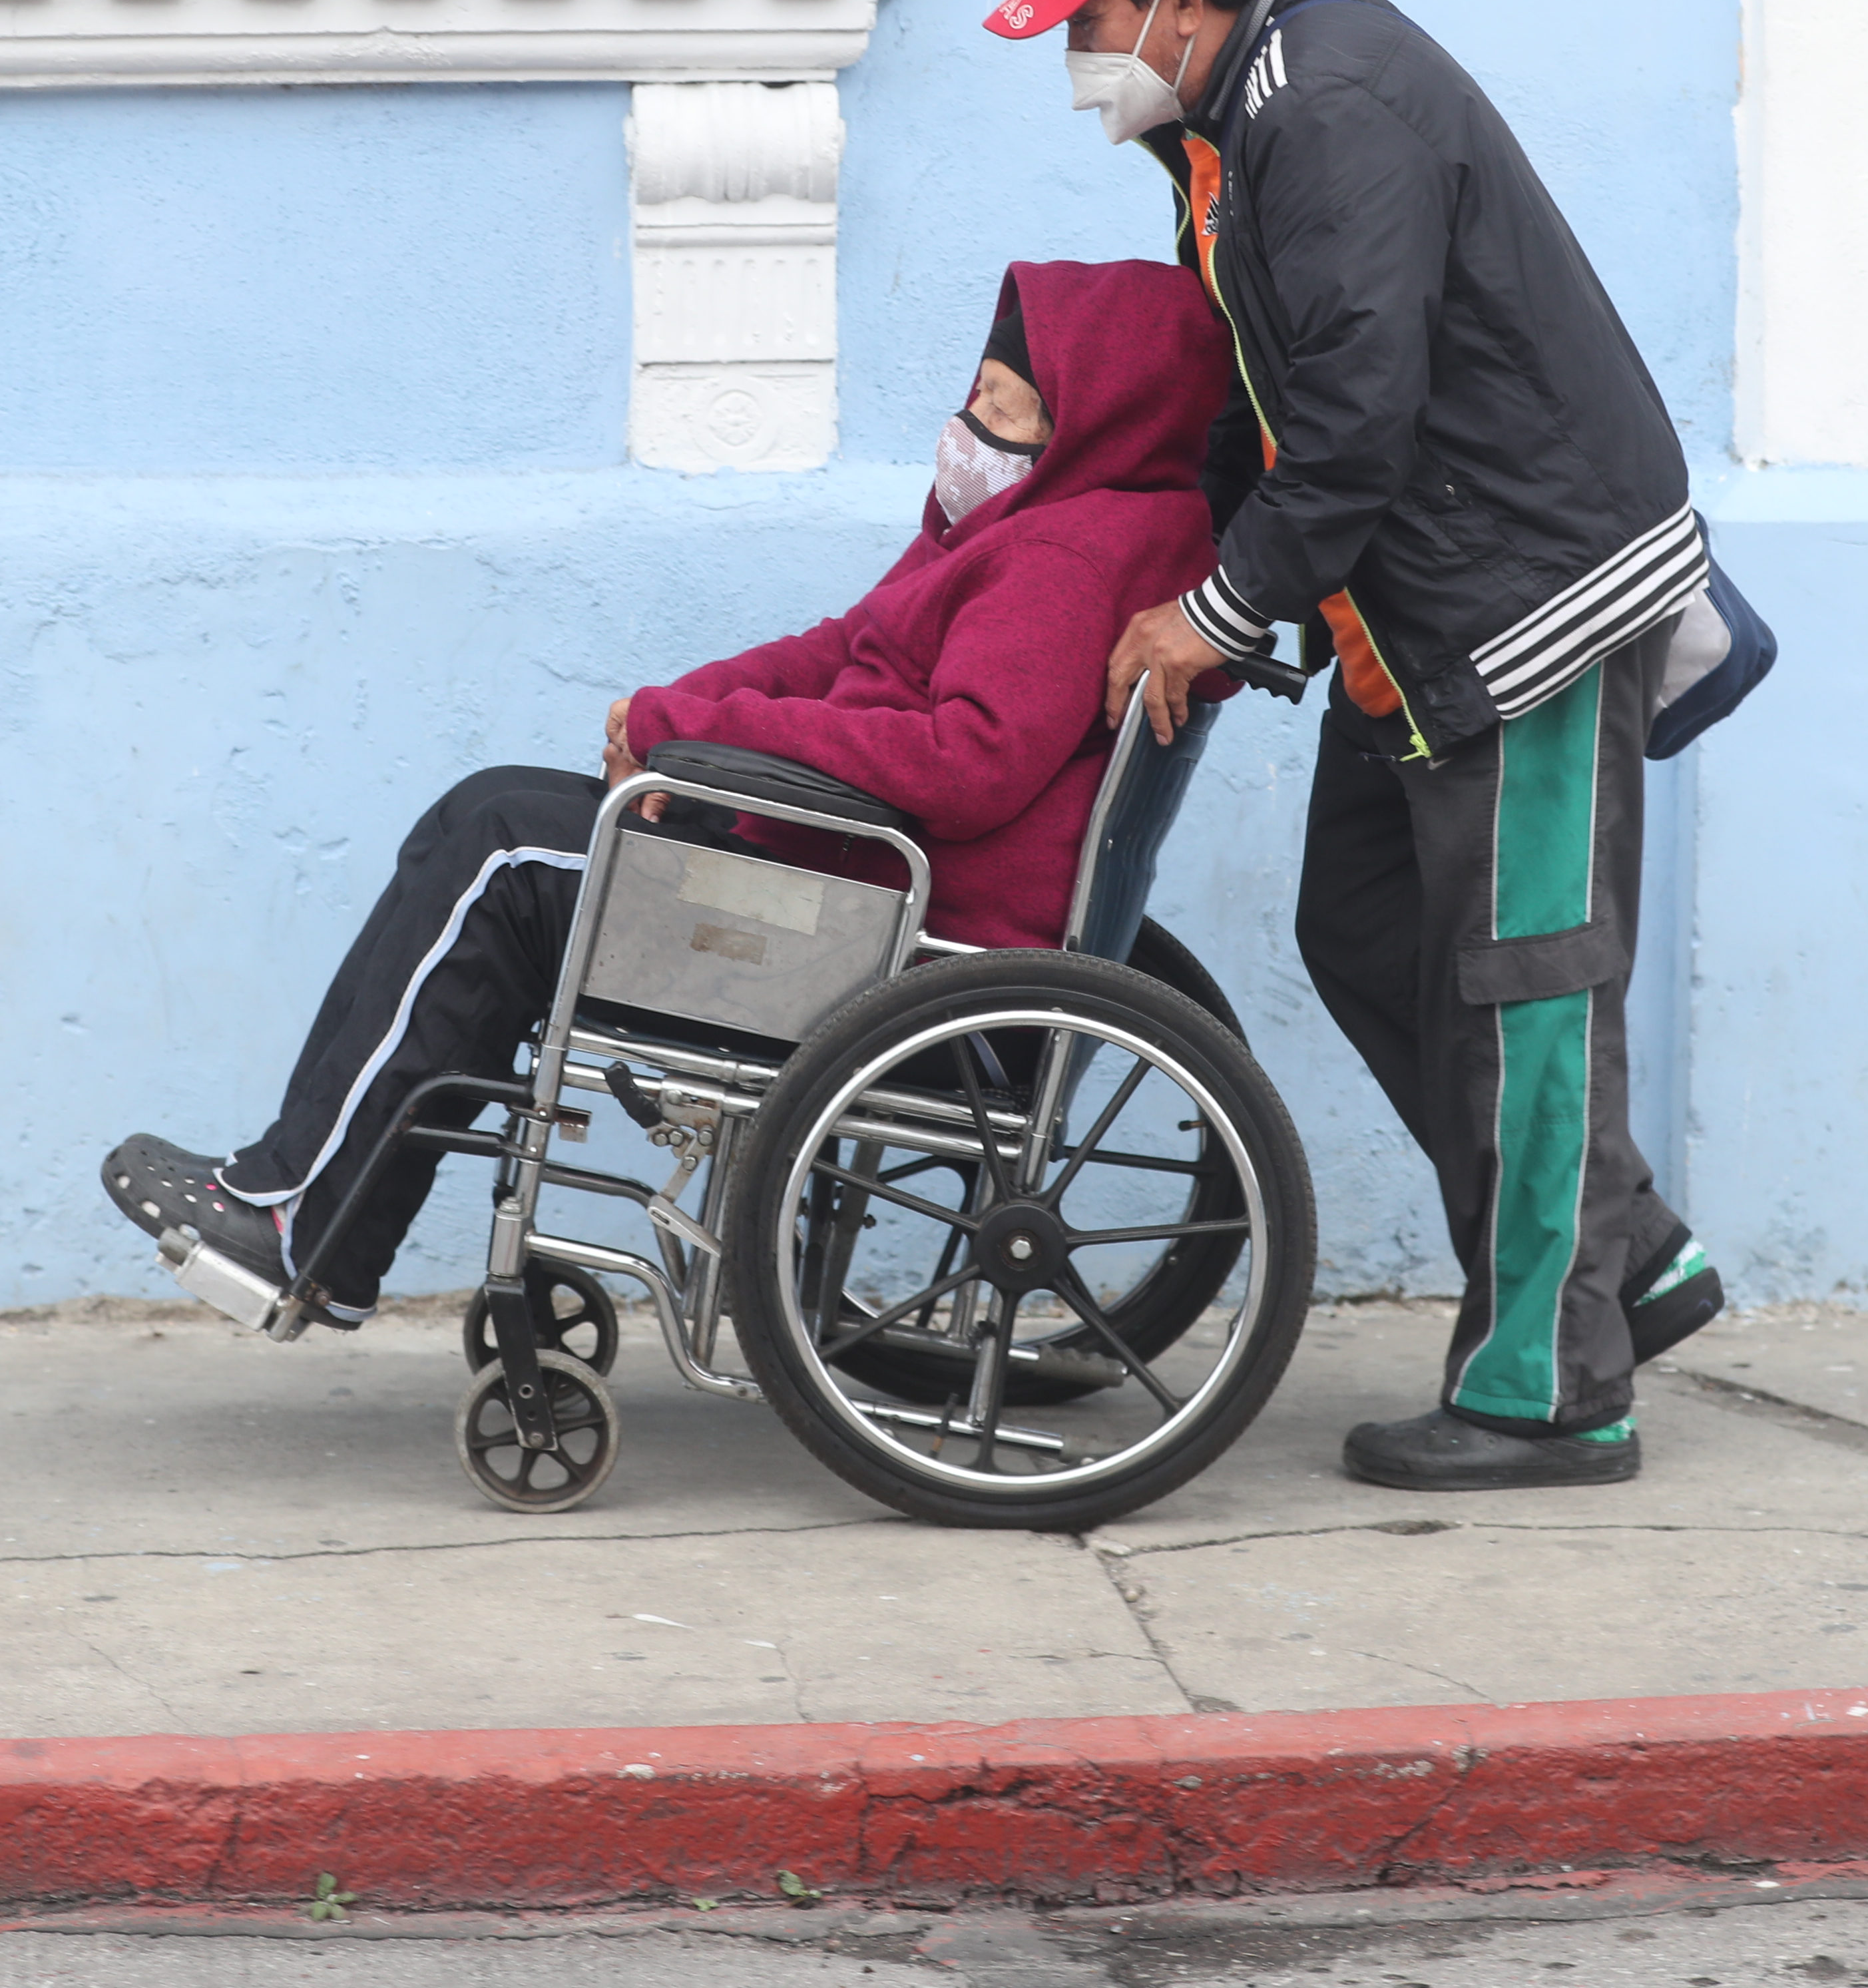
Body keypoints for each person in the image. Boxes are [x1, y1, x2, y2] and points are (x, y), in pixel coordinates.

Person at [987, 0, 1727, 1493]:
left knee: (1527, 992)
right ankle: (1625, 1251)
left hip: (1521, 607)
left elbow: (1352, 417)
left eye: (1088, 19)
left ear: (1180, 0)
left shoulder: (1327, 111)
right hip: (1409, 611)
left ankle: (1551, 1394)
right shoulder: (1224, 119)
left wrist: (1217, 612)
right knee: (1369, 929)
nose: (1076, 53)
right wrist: (1180, 572)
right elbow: (1261, 392)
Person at [98, 258, 1234, 1329]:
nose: (967, 429)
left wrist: (694, 737)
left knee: (503, 854)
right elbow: (841, 648)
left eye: (1001, 407)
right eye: (973, 397)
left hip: (891, 955)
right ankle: (306, 1207)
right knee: (487, 815)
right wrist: (675, 713)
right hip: (855, 901)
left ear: (1090, 423)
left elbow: (965, 763)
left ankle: (303, 1221)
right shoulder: (1031, 529)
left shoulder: (1059, 559)